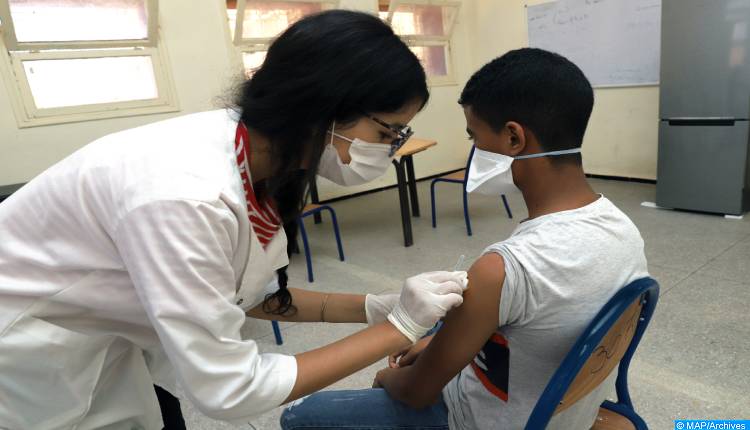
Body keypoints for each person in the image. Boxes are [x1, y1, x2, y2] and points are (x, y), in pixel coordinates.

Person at [0, 10, 469, 429]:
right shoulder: (185, 194)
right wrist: (397, 328)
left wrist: (374, 306)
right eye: (387, 132)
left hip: (104, 340)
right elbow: (231, 390)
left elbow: (245, 295)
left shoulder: (258, 158)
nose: (390, 148)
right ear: (322, 108)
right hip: (27, 355)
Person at [280, 48, 650, 430]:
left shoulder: (503, 268)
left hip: (474, 419)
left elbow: (416, 393)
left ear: (513, 138)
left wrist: (387, 378)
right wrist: (437, 343)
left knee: (300, 415)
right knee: (438, 330)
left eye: (475, 136)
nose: (474, 150)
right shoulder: (624, 230)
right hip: (562, 411)